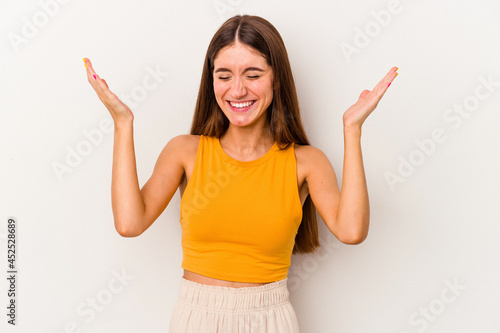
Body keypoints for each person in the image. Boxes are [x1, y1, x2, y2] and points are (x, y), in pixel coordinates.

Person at [83, 14, 397, 333]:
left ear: (276, 79)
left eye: (253, 74)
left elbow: (352, 231)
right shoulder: (184, 152)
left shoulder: (307, 162)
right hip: (196, 318)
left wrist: (352, 129)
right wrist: (122, 124)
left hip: (270, 320)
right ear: (212, 80)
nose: (237, 90)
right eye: (224, 75)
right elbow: (129, 223)